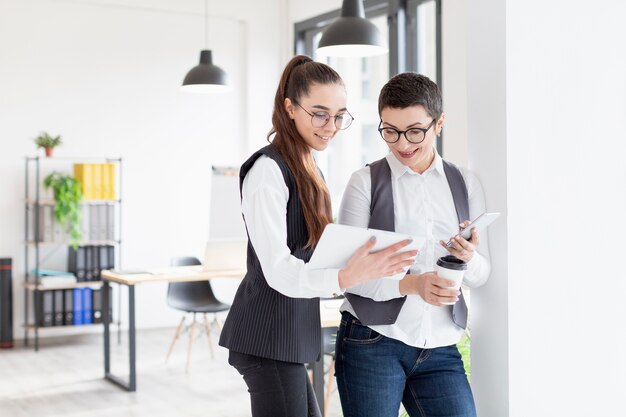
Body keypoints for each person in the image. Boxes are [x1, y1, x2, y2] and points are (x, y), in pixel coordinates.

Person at [218, 55, 417, 417]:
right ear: (290, 107)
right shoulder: (267, 170)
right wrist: (345, 276)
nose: (331, 126)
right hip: (266, 338)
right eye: (320, 113)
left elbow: (315, 251)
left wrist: (374, 264)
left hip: (286, 336)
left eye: (340, 115)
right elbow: (278, 268)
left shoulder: (307, 165)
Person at [334, 73, 492, 417]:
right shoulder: (364, 183)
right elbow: (346, 275)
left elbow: (481, 275)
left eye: (414, 131)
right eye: (390, 130)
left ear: (439, 124)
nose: (402, 143)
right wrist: (413, 284)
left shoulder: (465, 183)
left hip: (440, 345)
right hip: (372, 340)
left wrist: (468, 259)